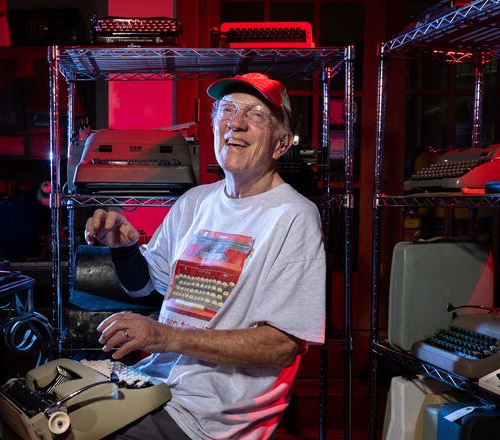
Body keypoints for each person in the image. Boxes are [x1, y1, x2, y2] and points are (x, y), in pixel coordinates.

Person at [85, 72, 327, 440]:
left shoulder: (294, 217)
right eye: (226, 110)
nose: (236, 123)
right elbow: (142, 286)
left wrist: (166, 337)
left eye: (256, 115)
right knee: (37, 408)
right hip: (156, 386)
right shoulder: (194, 202)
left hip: (211, 418)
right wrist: (123, 248)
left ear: (280, 144)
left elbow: (282, 346)